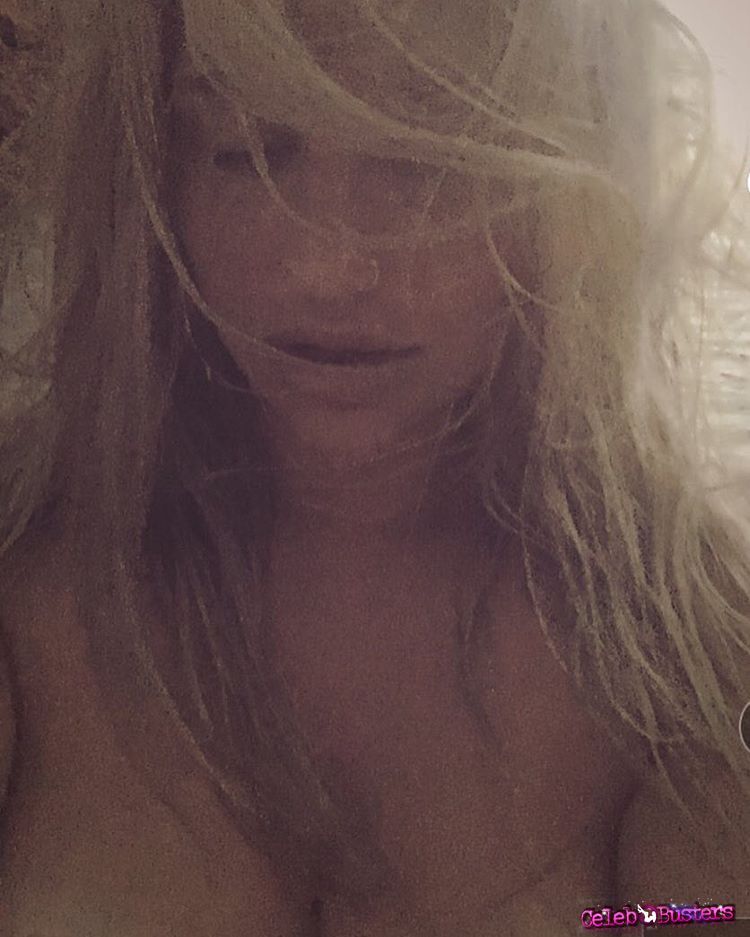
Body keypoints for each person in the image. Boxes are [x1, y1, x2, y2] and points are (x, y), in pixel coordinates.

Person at [0, 1, 748, 934]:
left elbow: (700, 913)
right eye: (245, 150)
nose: (326, 266)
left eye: (431, 160)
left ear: (573, 199)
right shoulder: (27, 589)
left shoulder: (684, 670)